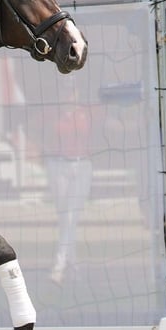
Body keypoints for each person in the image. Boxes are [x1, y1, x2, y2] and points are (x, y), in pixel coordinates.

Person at [45, 80, 93, 285]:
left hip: (81, 164)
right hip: (59, 164)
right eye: (65, 91)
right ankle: (72, 264)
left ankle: (59, 265)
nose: (68, 96)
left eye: (72, 91)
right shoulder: (53, 113)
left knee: (72, 213)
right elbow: (43, 135)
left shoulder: (85, 112)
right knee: (64, 214)